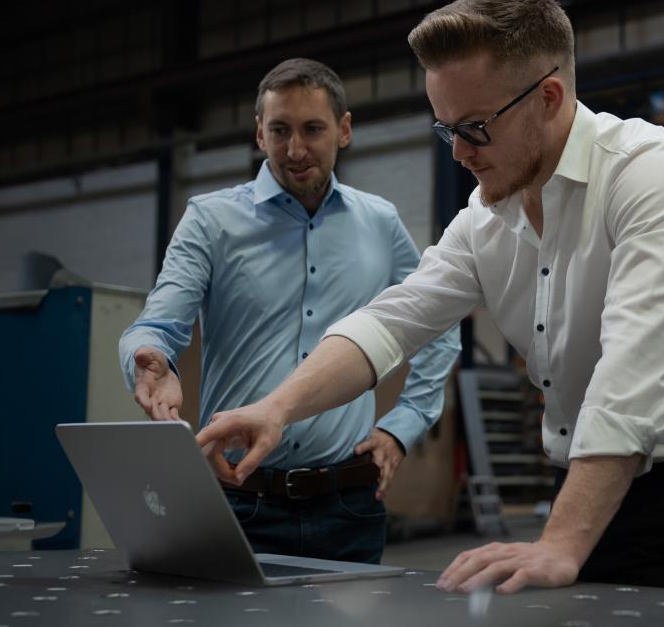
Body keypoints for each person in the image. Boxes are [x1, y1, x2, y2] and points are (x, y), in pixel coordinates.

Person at [196, 0, 664, 593]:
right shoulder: (487, 217)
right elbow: (389, 323)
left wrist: (561, 542)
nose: (459, 151)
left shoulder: (652, 177)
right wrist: (275, 408)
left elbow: (633, 375)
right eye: (445, 129)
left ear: (548, 98)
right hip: (583, 492)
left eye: (475, 127)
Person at [119, 57, 460, 565]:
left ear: (344, 130)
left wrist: (402, 425)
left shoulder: (380, 223)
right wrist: (148, 356)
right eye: (279, 130)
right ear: (260, 133)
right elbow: (157, 322)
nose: (295, 150)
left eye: (312, 129)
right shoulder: (211, 221)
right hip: (238, 499)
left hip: (348, 505)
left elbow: (437, 325)